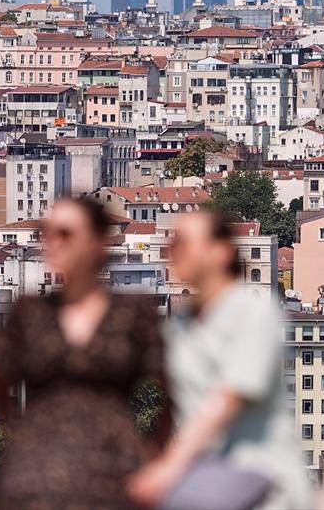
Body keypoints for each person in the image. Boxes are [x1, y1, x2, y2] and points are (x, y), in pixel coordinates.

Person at [128, 210, 311, 510]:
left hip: (256, 470)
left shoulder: (254, 312)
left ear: (220, 251)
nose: (174, 253)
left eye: (184, 243)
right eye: (172, 244)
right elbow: (172, 409)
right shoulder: (179, 326)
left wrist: (170, 468)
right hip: (204, 472)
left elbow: (227, 399)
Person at [0, 196, 166, 510]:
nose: (52, 242)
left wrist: (155, 460)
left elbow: (169, 391)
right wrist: (19, 440)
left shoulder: (133, 312)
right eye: (47, 232)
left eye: (66, 233)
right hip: (35, 472)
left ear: (97, 241)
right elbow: (0, 384)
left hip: (114, 470)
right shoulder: (29, 312)